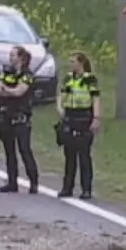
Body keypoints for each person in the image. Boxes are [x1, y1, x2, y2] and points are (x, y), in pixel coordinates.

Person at [0, 46, 40, 194]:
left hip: (21, 118)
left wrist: (6, 90)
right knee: (9, 151)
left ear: (21, 58)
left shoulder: (27, 75)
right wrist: (9, 91)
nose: (10, 58)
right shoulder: (6, 72)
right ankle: (12, 181)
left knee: (24, 150)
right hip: (6, 116)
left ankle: (33, 182)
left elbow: (19, 92)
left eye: (13, 55)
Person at [55, 51, 100, 199]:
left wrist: (96, 118)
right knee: (69, 155)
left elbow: (95, 99)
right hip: (70, 116)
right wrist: (60, 108)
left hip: (83, 116)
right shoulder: (69, 78)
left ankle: (86, 189)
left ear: (81, 63)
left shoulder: (89, 79)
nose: (70, 64)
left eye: (73, 61)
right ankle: (67, 187)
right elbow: (62, 95)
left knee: (84, 155)